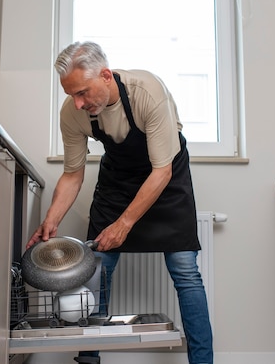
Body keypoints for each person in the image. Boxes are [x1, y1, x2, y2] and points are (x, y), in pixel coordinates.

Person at [26, 41, 213, 364]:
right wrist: (51, 220)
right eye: (72, 95)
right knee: (96, 269)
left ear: (106, 75)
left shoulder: (148, 92)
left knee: (185, 270)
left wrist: (125, 224)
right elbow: (73, 175)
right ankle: (88, 359)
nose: (78, 103)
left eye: (83, 92)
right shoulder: (73, 113)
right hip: (118, 180)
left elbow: (161, 170)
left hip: (165, 176)